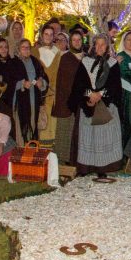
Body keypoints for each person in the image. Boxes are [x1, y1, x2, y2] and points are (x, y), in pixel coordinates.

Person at [68, 34, 124, 178]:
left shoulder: (112, 63)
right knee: (88, 136)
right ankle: (86, 167)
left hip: (106, 104)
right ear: (93, 45)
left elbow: (115, 86)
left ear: (107, 47)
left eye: (103, 44)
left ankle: (103, 167)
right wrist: (90, 95)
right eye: (97, 44)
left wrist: (100, 95)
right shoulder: (85, 62)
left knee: (103, 136)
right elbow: (78, 85)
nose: (100, 47)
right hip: (88, 104)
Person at [5, 39, 48, 145]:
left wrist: (41, 82)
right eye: (23, 47)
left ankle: (31, 150)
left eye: (28, 47)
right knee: (21, 128)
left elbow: (44, 77)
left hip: (34, 100)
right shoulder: (12, 63)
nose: (26, 50)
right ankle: (21, 151)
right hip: (20, 102)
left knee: (33, 125)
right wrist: (21, 84)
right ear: (18, 49)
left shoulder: (35, 61)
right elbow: (8, 82)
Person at [52, 37, 83, 165]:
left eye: (79, 40)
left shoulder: (85, 58)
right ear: (70, 42)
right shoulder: (66, 58)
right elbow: (62, 82)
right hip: (66, 101)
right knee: (64, 132)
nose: (76, 42)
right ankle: (61, 162)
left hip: (81, 101)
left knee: (77, 133)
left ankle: (75, 160)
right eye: (74, 40)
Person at [32, 24, 61, 144]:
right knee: (39, 124)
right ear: (42, 35)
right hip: (38, 94)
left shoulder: (58, 52)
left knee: (51, 127)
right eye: (46, 34)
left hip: (53, 94)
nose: (48, 37)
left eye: (51, 34)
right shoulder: (34, 52)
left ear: (54, 36)